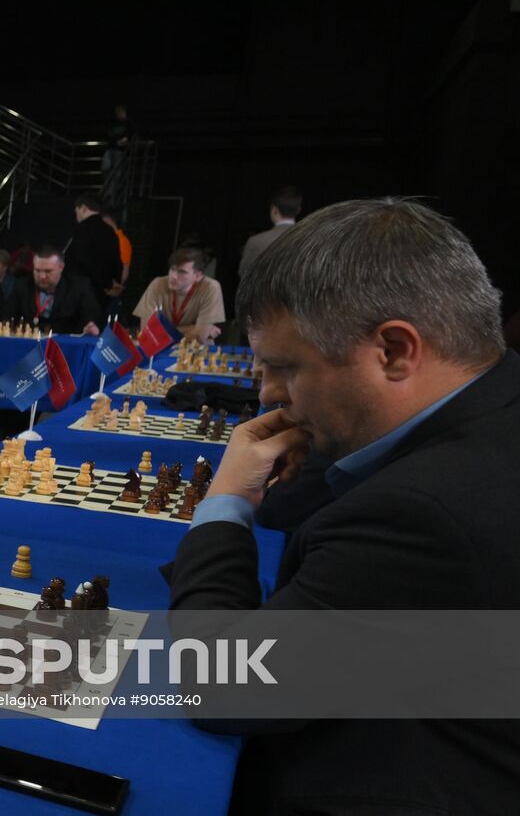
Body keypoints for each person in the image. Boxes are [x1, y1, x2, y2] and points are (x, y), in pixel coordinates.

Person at [169, 198, 519, 813]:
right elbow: (296, 511)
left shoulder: (423, 512)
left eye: (284, 368)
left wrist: (223, 503)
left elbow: (219, 684)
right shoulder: (494, 402)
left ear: (393, 352)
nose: (268, 394)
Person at [132, 247, 225, 343]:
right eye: (172, 269)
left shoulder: (210, 288)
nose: (173, 276)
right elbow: (147, 333)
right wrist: (192, 328)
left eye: (182, 272)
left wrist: (163, 331)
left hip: (195, 351)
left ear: (197, 276)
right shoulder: (158, 284)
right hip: (159, 349)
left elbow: (199, 337)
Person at [3, 246, 101, 335]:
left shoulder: (79, 287)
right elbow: (7, 316)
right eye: (37, 270)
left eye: (48, 271)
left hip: (65, 344)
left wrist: (91, 326)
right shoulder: (22, 285)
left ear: (61, 267)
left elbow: (91, 317)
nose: (42, 276)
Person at [64, 194, 123, 299]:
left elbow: (83, 259)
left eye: (76, 210)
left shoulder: (82, 230)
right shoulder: (110, 231)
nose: (75, 213)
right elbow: (117, 262)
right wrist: (111, 283)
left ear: (83, 208)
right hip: (103, 293)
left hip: (79, 292)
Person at [239, 186, 301, 279]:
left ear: (274, 210)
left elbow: (244, 275)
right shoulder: (311, 240)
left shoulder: (256, 241)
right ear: (298, 210)